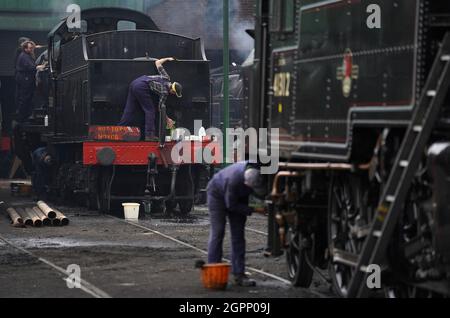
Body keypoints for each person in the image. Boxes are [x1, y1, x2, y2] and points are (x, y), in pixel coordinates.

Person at [206, 162, 267, 287]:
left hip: (238, 198)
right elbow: (231, 205)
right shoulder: (233, 180)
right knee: (218, 233)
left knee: (238, 236)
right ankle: (213, 270)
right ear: (246, 183)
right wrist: (255, 210)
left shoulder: (254, 172)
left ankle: (239, 275)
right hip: (217, 195)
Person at [119, 57, 182, 141]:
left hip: (135, 82)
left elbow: (157, 63)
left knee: (129, 110)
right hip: (141, 87)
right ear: (173, 90)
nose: (172, 94)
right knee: (150, 111)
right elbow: (160, 108)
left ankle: (119, 130)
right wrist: (167, 119)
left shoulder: (166, 77)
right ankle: (149, 136)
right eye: (174, 93)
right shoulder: (164, 92)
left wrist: (168, 58)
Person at [15, 40, 46, 123]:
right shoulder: (24, 56)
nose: (32, 49)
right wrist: (40, 67)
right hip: (25, 80)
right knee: (25, 99)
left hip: (27, 80)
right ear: (25, 49)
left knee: (28, 99)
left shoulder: (27, 55)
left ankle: (26, 117)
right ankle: (22, 119)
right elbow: (31, 67)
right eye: (30, 48)